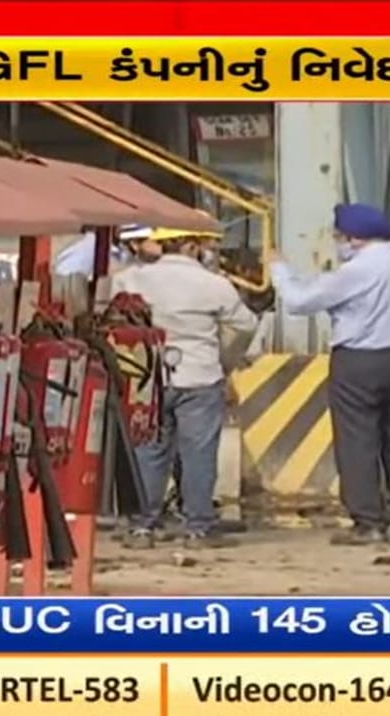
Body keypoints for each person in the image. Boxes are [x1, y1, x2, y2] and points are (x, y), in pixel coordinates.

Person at [271, 203, 390, 545]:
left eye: (339, 237)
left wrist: (279, 270)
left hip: (359, 360)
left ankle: (369, 523)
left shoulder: (354, 272)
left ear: (353, 239)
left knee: (357, 440)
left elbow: (299, 301)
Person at [119, 226, 258, 550]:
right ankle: (198, 528)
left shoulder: (130, 280)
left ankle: (142, 527)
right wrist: (224, 359)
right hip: (200, 377)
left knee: (148, 451)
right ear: (192, 247)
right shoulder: (213, 284)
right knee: (199, 453)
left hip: (148, 378)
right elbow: (245, 325)